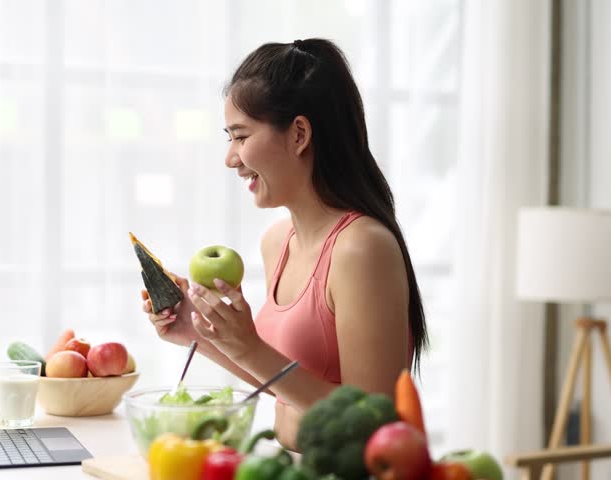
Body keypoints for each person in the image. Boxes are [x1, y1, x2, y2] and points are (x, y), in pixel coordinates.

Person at [141, 38, 427, 450]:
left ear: (298, 135)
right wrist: (193, 330)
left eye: (240, 137)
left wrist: (252, 348)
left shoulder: (361, 249)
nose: (231, 158)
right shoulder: (278, 242)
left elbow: (375, 425)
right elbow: (289, 388)